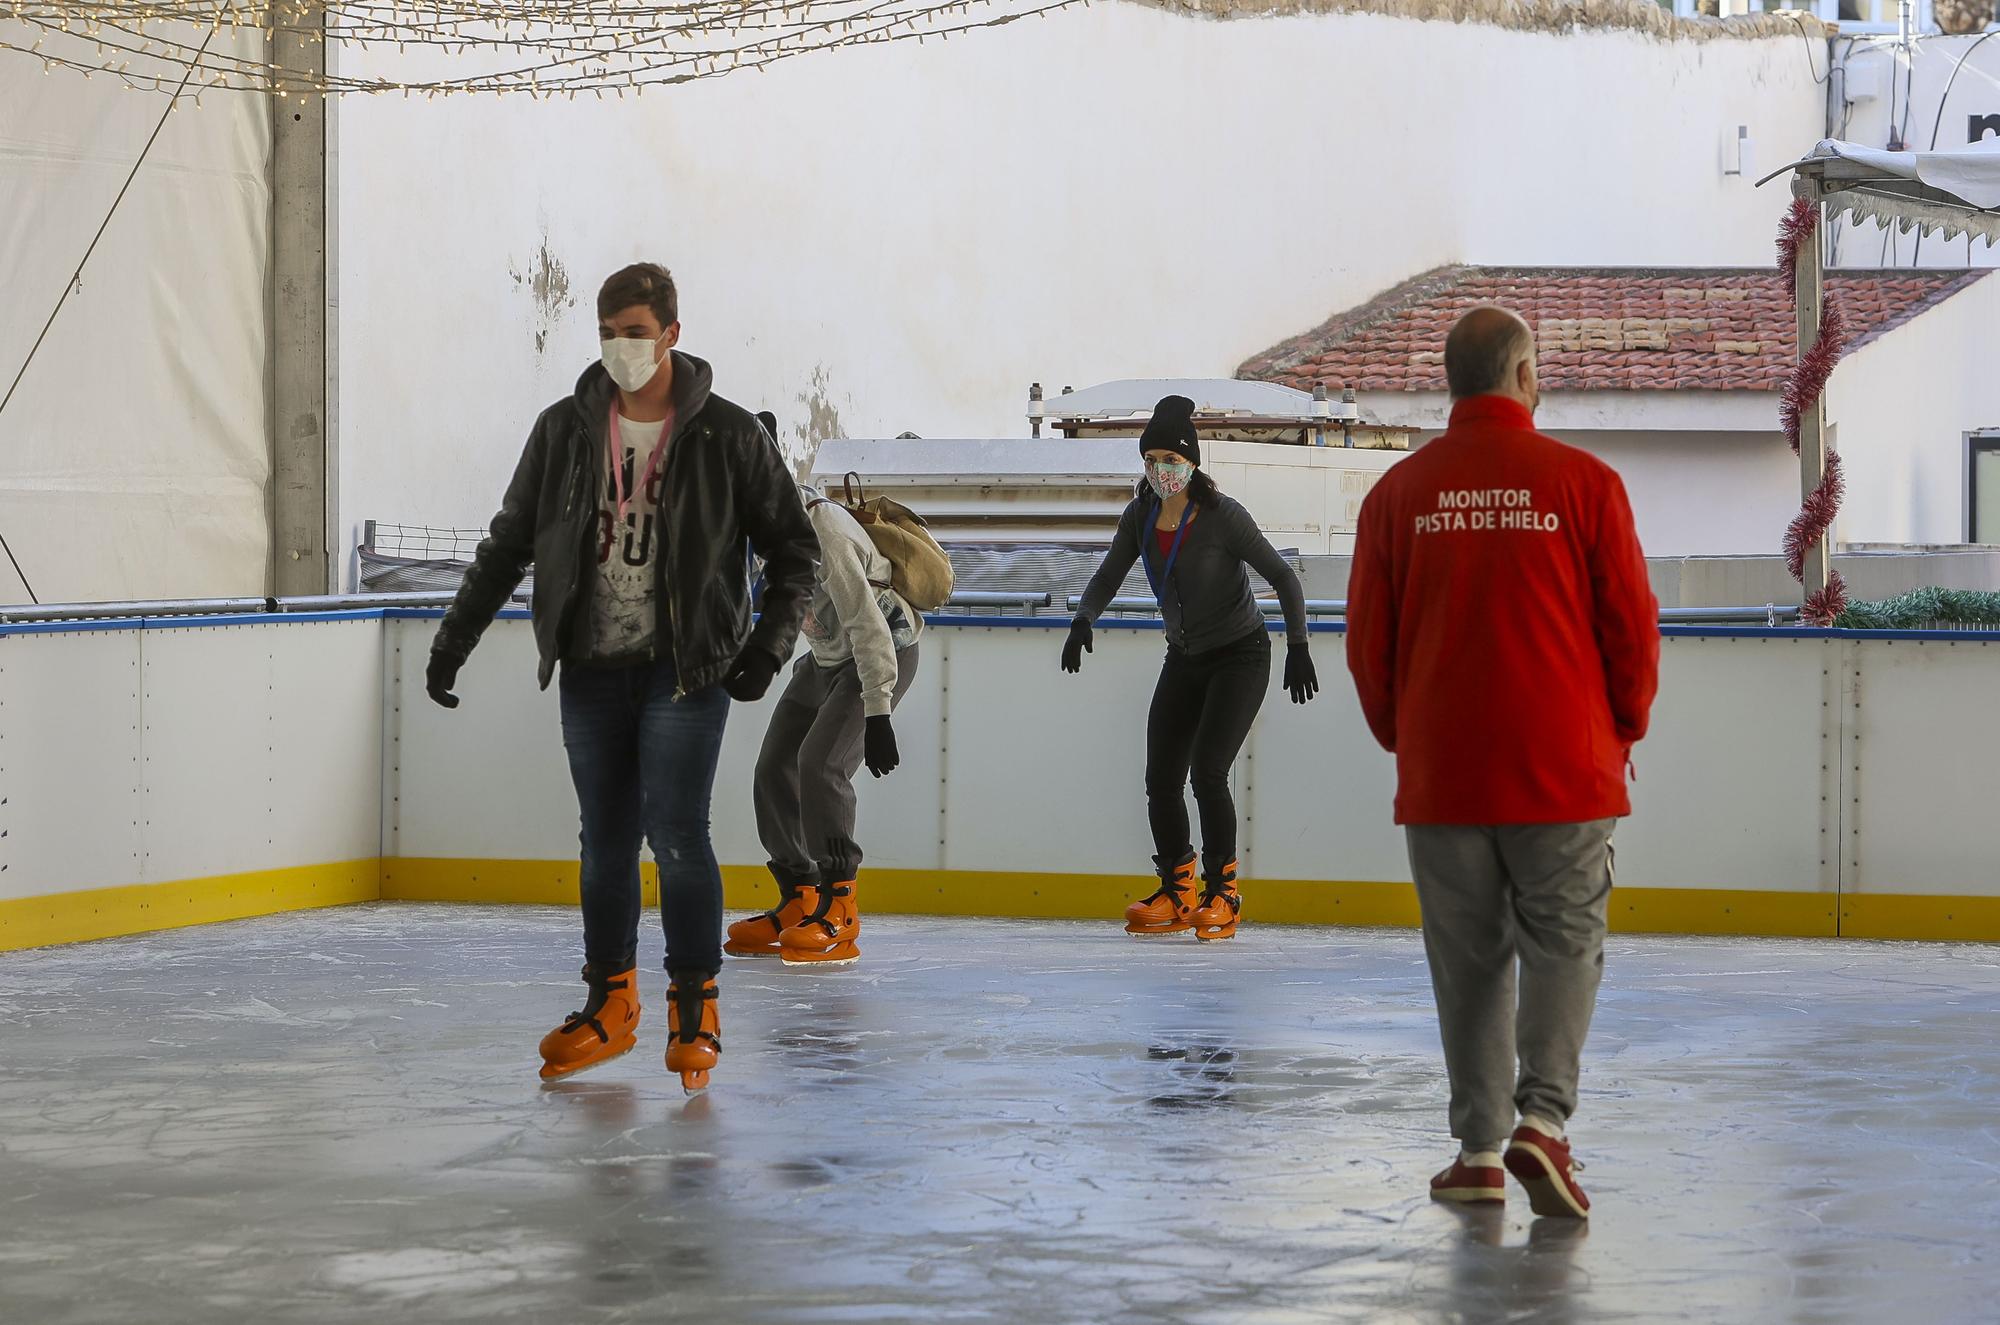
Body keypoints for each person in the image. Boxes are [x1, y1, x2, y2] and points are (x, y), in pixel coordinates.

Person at [426, 263, 817, 1093]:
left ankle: (695, 1005)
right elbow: (507, 543)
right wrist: (452, 640)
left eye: (635, 332)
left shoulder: (729, 435)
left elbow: (795, 551)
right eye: (608, 332)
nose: (620, 348)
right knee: (603, 843)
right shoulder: (564, 429)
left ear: (672, 332)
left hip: (688, 671)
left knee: (677, 836)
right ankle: (611, 1002)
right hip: (592, 668)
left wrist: (767, 645)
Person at [1345, 306, 1659, 1218]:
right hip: (1563, 768)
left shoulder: (1396, 496)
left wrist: (1407, 738)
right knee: (1565, 941)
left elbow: (1369, 647)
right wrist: (1623, 728)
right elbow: (1631, 630)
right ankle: (1544, 1123)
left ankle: (1479, 1148)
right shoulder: (1586, 483)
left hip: (1444, 772)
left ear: (1454, 380)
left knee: (1468, 956)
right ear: (1524, 374)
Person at [1063, 394, 1318, 941]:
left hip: (1240, 656)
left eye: (1171, 461)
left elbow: (1285, 578)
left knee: (1207, 771)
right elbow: (1109, 574)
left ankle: (1222, 893)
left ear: (1192, 464)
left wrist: (1298, 646)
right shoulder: (1140, 517)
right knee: (1160, 778)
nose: (1161, 471)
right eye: (1151, 461)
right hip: (1184, 657)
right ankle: (1177, 890)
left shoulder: (1224, 518)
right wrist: (1083, 619)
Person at [725, 443, 922, 967]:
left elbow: (868, 625)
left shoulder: (825, 532)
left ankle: (840, 906)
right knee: (773, 769)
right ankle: (800, 897)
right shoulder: (758, 531)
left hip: (880, 654)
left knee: (820, 765)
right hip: (826, 660)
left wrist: (878, 712)